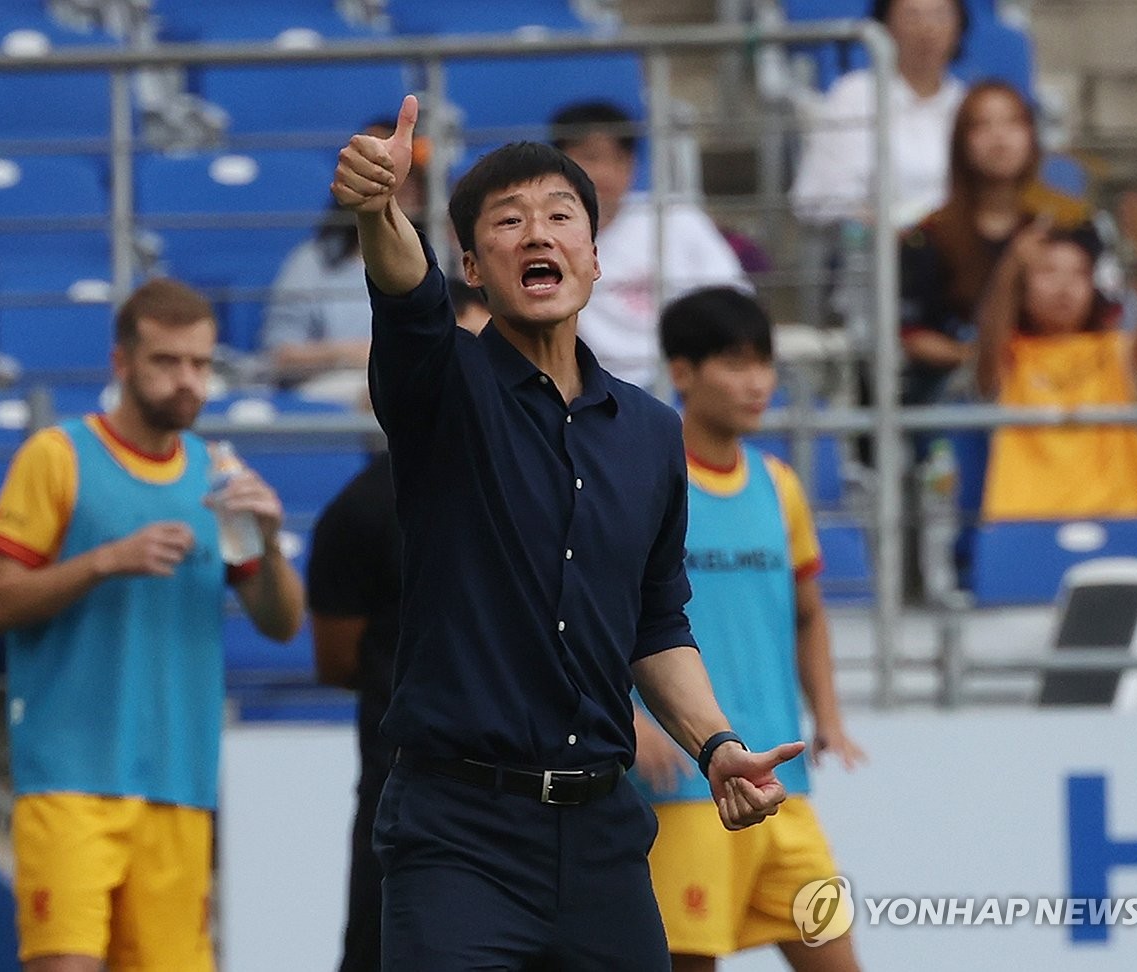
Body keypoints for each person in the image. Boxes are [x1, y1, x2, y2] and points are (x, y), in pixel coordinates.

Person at [330, 95, 804, 971]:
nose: (536, 233)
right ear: (473, 263)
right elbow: (404, 292)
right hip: (457, 834)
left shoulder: (654, 434)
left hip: (603, 840)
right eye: (507, 221)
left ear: (593, 254)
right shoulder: (441, 386)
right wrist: (378, 211)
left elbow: (657, 624)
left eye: (560, 216)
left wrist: (718, 745)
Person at [0, 278, 305, 972]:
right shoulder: (57, 456)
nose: (187, 381)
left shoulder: (219, 473)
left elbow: (280, 622)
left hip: (178, 788)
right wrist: (103, 562)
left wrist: (270, 542)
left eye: (200, 364)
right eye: (166, 362)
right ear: (122, 363)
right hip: (70, 781)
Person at [636, 286, 864, 972]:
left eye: (763, 363)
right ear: (682, 372)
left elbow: (808, 609)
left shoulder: (779, 483)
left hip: (783, 789)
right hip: (685, 786)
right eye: (734, 363)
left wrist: (828, 715)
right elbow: (599, 616)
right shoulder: (646, 480)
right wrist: (632, 719)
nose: (756, 381)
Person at [306, 292, 489, 972]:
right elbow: (337, 658)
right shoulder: (359, 512)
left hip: (536, 805)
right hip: (404, 800)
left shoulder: (561, 489)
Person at [900, 80, 1094, 408]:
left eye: (1012, 123)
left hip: (1065, 382)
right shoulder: (927, 236)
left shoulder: (1071, 225)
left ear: (1032, 136)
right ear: (961, 143)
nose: (999, 138)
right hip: (962, 390)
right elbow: (913, 334)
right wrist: (980, 355)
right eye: (983, 125)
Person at [976, 193, 1137, 521]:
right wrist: (1010, 267)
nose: (1064, 287)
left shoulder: (1116, 350)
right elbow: (989, 338)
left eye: (1079, 274)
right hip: (1027, 523)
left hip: (1121, 518)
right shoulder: (1011, 357)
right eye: (1047, 272)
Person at [549, 100, 749, 390]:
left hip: (683, 383)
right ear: (558, 162)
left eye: (619, 159)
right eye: (590, 158)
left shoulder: (676, 219)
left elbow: (733, 300)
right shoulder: (543, 237)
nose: (605, 172)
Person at [260, 120, 431, 407]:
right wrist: (355, 354)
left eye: (406, 178)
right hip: (334, 394)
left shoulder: (442, 259)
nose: (394, 187)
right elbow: (280, 357)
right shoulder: (312, 262)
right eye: (381, 173)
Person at [790, 0, 970, 229]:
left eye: (939, 15)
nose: (927, 28)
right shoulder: (855, 95)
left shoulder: (967, 103)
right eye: (912, 16)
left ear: (960, 26)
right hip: (877, 249)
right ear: (886, 27)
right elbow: (818, 198)